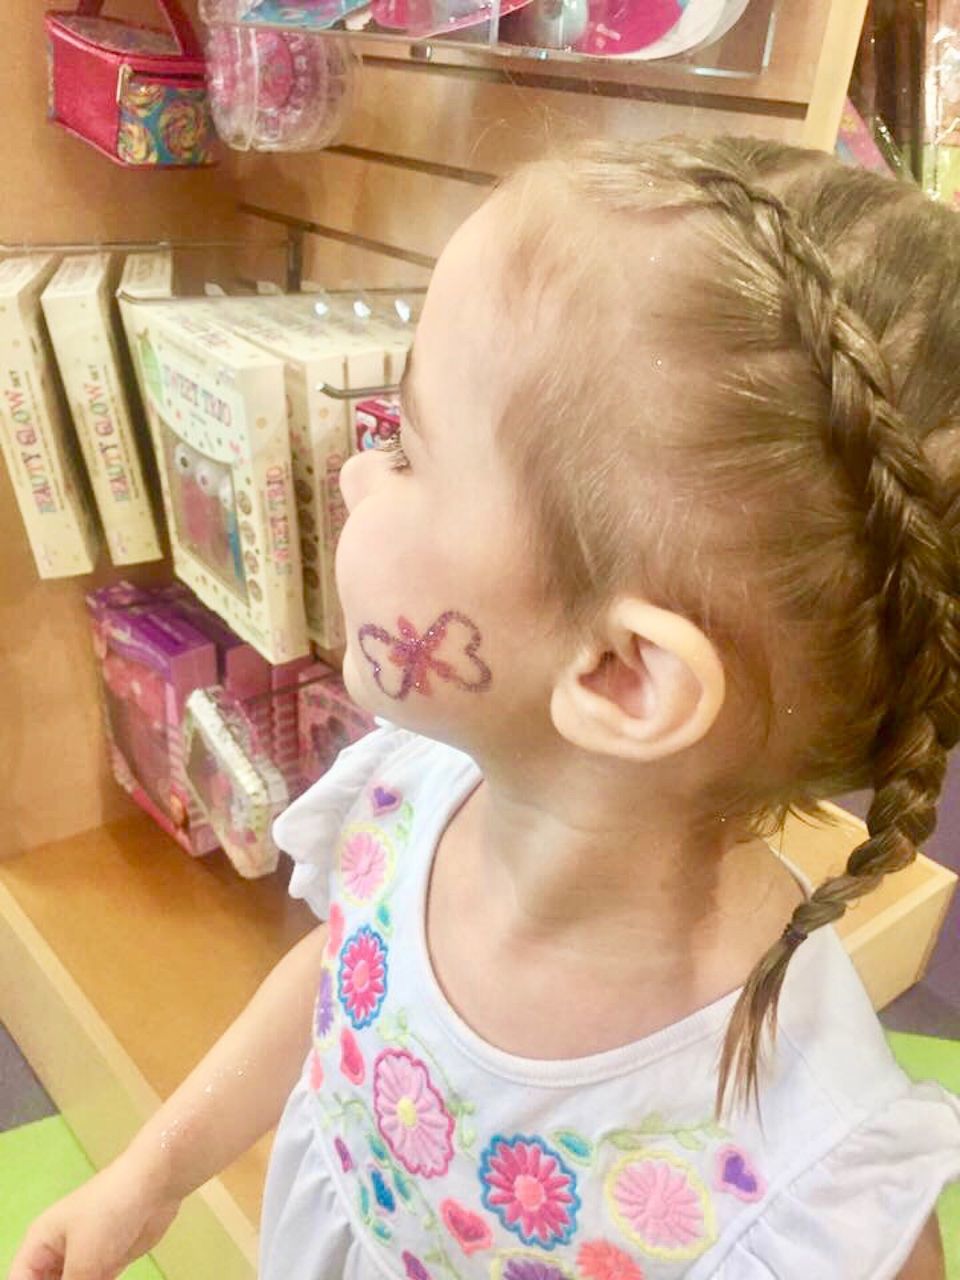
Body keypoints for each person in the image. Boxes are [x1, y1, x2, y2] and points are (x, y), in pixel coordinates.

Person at [11, 136, 960, 1280]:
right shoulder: (419, 784)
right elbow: (343, 981)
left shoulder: (804, 1194)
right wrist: (150, 1175)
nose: (357, 472)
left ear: (621, 676)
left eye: (407, 447)